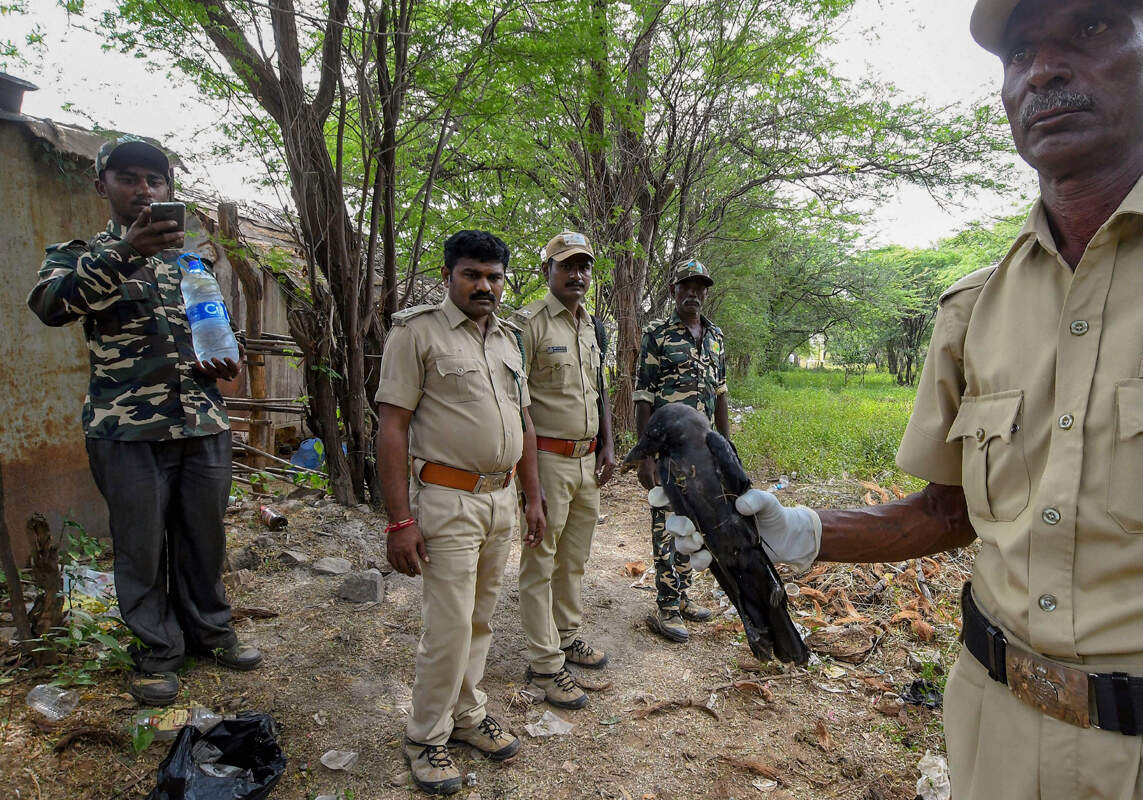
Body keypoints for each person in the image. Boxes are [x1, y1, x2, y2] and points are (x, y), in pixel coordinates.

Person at [740, 1, 1143, 796]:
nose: (1044, 70)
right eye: (1019, 52)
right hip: (993, 726)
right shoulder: (974, 309)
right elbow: (948, 512)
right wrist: (798, 531)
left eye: (1091, 30)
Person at [26, 135, 262, 707]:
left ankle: (211, 632)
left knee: (203, 537)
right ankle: (157, 652)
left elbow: (217, 330)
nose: (144, 190)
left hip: (202, 422)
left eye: (154, 181)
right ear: (101, 185)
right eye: (129, 178)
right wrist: (125, 251)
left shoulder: (193, 262)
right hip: (125, 431)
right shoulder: (78, 254)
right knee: (139, 547)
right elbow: (52, 306)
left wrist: (226, 358)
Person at [376, 230, 547, 796]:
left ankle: (468, 716)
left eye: (494, 276)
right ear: (449, 275)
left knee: (480, 619)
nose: (485, 286)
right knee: (447, 625)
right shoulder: (416, 332)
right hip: (448, 500)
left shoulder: (507, 339)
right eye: (472, 274)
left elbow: (524, 423)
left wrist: (533, 498)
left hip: (501, 500)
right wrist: (400, 520)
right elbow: (393, 425)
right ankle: (426, 736)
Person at [511, 231, 617, 711]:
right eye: (566, 265)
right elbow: (517, 408)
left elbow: (600, 391)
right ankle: (544, 661)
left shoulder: (590, 325)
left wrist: (609, 445)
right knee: (541, 559)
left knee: (574, 558)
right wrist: (529, 485)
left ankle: (567, 635)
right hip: (548, 460)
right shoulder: (527, 324)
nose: (577, 275)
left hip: (586, 460)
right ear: (547, 271)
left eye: (584, 267)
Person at [633, 260, 729, 643]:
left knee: (694, 524)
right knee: (666, 526)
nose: (693, 293)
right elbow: (642, 395)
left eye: (699, 286)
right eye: (685, 286)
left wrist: (726, 449)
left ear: (706, 292)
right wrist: (645, 455)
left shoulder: (715, 336)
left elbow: (720, 393)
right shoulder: (657, 333)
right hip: (669, 451)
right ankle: (666, 606)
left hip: (702, 453)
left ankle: (684, 595)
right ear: (674, 291)